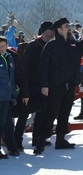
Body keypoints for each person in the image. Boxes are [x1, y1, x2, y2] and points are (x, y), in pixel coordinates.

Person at [34, 18, 83, 154]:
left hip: (70, 85)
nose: (69, 28)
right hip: (55, 86)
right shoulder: (51, 46)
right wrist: (44, 85)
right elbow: (43, 68)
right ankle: (41, 141)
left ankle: (61, 139)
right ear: (59, 30)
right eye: (66, 26)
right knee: (50, 114)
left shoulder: (74, 45)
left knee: (65, 114)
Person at [14, 21, 54, 151]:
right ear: (44, 30)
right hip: (30, 85)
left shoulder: (51, 46)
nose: (53, 31)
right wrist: (24, 89)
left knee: (41, 112)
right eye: (50, 29)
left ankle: (36, 139)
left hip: (43, 85)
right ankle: (17, 140)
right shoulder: (33, 45)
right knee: (24, 114)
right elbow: (24, 68)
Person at [0, 36, 17, 159]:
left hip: (6, 97)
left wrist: (13, 95)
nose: (1, 49)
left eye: (3, 46)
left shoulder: (9, 58)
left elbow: (12, 80)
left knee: (7, 123)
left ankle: (12, 147)